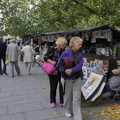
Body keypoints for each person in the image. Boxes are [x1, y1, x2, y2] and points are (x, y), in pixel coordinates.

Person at [57, 37, 84, 120]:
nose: (80, 46)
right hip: (67, 78)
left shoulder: (80, 54)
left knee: (77, 97)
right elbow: (59, 65)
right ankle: (68, 110)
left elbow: (80, 64)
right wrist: (65, 70)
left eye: (80, 44)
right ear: (73, 44)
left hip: (77, 78)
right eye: (79, 44)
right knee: (68, 96)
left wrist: (71, 70)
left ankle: (78, 117)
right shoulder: (66, 53)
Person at [43, 37, 68, 108]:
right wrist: (51, 61)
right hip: (53, 71)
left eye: (65, 44)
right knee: (53, 87)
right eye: (63, 44)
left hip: (62, 71)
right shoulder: (52, 49)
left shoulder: (64, 51)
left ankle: (62, 101)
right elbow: (45, 57)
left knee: (62, 87)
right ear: (59, 43)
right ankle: (52, 101)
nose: (64, 45)